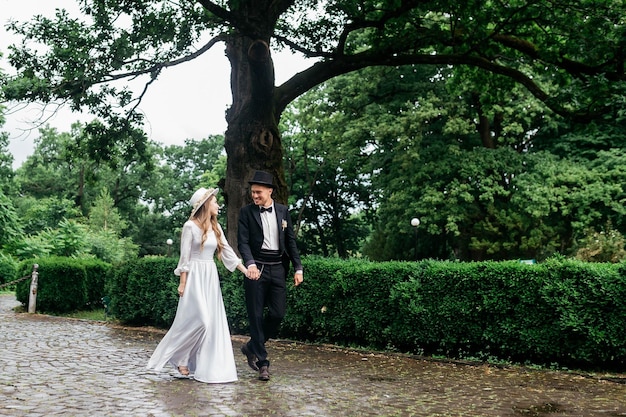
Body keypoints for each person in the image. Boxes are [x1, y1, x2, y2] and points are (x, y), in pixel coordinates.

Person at [147, 187, 248, 383]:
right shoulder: (189, 227)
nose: (218, 205)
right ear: (205, 204)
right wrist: (182, 282)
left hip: (210, 276)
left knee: (209, 324)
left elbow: (227, 252)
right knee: (201, 320)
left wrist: (245, 271)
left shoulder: (215, 228)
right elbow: (184, 257)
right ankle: (177, 356)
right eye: (215, 202)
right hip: (194, 276)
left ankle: (188, 361)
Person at [237, 170, 303, 381]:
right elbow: (243, 242)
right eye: (252, 193)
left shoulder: (283, 211)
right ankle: (263, 362)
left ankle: (251, 346)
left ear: (270, 191)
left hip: (277, 267)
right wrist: (250, 264)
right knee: (255, 316)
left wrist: (298, 267)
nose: (254, 196)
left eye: (258, 192)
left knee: (277, 314)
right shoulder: (246, 212)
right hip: (256, 268)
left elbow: (290, 241)